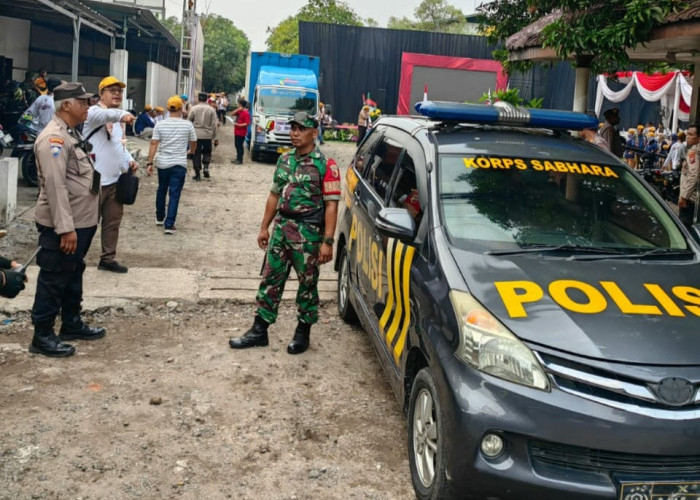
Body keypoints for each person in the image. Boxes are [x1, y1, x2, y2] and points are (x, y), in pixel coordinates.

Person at [229, 111, 341, 355]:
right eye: (293, 128)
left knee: (307, 284)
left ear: (314, 132)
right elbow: (274, 195)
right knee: (271, 279)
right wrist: (264, 227)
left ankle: (303, 333)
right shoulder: (284, 160)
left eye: (301, 128)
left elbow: (332, 205)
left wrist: (328, 241)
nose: (295, 133)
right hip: (281, 229)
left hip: (308, 234)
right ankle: (259, 330)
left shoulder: (326, 165)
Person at [30, 82, 105, 358]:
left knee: (73, 272)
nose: (88, 106)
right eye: (83, 102)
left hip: (80, 220)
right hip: (64, 224)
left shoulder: (71, 132)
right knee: (54, 277)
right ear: (66, 105)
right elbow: (55, 186)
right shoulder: (54, 139)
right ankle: (42, 335)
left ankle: (71, 323)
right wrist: (65, 229)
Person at [82, 76, 137, 274]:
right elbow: (108, 115)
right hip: (94, 182)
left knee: (112, 222)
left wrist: (128, 159)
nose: (117, 94)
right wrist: (123, 114)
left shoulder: (114, 121)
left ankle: (108, 258)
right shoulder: (94, 113)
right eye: (112, 90)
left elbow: (116, 144)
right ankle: (76, 258)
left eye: (119, 91)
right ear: (101, 94)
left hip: (115, 180)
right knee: (87, 224)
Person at [145, 95, 197, 234]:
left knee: (162, 189)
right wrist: (191, 151)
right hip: (179, 163)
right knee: (174, 193)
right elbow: (193, 142)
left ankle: (159, 217)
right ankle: (169, 224)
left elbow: (154, 143)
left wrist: (149, 162)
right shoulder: (187, 125)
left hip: (163, 163)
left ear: (168, 108)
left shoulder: (160, 125)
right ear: (181, 108)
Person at [187, 92, 219, 180]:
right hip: (207, 136)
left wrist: (188, 134)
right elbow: (214, 124)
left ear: (198, 99)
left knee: (196, 153)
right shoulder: (211, 109)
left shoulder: (194, 109)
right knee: (207, 152)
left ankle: (197, 174)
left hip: (196, 135)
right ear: (206, 99)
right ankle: (206, 167)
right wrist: (215, 138)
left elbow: (189, 121)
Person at [678, 123, 699, 230]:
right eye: (687, 134)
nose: (688, 136)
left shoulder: (693, 152)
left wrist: (684, 197)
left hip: (689, 200)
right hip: (695, 200)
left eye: (691, 134)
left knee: (683, 230)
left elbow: (693, 175)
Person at [231, 97, 250, 165]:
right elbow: (231, 114)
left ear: (241, 104)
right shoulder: (239, 111)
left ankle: (240, 159)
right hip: (236, 131)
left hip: (241, 132)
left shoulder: (246, 113)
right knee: (236, 145)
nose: (237, 105)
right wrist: (237, 110)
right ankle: (237, 157)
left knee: (239, 145)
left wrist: (239, 125)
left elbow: (247, 123)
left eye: (238, 104)